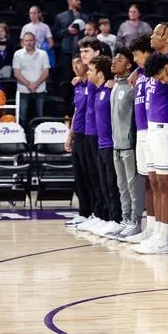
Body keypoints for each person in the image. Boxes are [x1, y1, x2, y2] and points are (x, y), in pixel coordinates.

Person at [131, 23, 168, 255]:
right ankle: (160, 232)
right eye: (153, 33)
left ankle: (166, 236)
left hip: (167, 127)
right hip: (152, 128)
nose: (153, 37)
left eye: (159, 34)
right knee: (156, 183)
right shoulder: (153, 65)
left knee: (166, 184)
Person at [72, 38, 108, 234]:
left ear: (97, 52)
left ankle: (105, 214)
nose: (83, 55)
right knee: (91, 177)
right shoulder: (86, 78)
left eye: (86, 51)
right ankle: (96, 213)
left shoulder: (102, 73)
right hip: (87, 131)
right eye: (82, 51)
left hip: (98, 132)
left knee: (101, 178)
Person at [121, 34, 154, 244]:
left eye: (137, 54)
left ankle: (162, 230)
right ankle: (151, 228)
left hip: (155, 129)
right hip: (142, 131)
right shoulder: (141, 74)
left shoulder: (157, 70)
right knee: (147, 182)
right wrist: (138, 69)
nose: (134, 59)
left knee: (158, 183)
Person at [86, 54, 123, 236]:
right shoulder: (99, 90)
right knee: (104, 185)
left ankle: (117, 219)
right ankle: (108, 217)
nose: (88, 73)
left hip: (111, 144)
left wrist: (115, 81)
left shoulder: (110, 91)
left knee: (113, 184)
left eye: (91, 70)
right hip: (101, 143)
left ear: (100, 73)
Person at [108, 47, 140, 236]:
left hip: (129, 144)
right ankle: (126, 218)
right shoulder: (115, 86)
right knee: (122, 186)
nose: (114, 62)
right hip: (116, 144)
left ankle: (135, 222)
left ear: (129, 65)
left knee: (133, 186)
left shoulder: (131, 87)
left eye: (119, 59)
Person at [63, 56, 93, 229]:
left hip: (90, 134)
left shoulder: (91, 84)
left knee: (90, 176)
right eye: (73, 63)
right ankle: (84, 212)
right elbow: (76, 111)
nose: (75, 66)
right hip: (78, 134)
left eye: (78, 62)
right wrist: (70, 135)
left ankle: (93, 213)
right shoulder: (78, 87)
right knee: (79, 176)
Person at [53, 0, 89, 95]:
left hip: (80, 52)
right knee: (66, 79)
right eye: (76, 0)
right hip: (66, 52)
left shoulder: (85, 17)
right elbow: (55, 34)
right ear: (70, 1)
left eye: (79, 0)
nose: (79, 2)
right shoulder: (61, 17)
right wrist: (67, 31)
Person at [12, 32, 50, 125]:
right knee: (22, 118)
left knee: (40, 117)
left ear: (35, 41)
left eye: (31, 40)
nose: (29, 43)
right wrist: (29, 85)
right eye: (26, 41)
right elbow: (16, 73)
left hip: (40, 90)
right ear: (23, 42)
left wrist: (35, 84)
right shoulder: (17, 54)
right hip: (23, 90)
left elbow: (46, 73)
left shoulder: (43, 54)